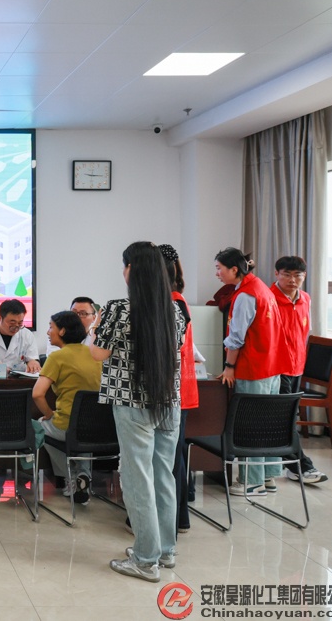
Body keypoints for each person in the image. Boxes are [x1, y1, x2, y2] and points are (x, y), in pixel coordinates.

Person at [92, 241, 185, 582]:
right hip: (168, 403)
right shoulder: (175, 310)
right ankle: (166, 550)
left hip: (132, 402)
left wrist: (96, 327)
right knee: (163, 475)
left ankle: (145, 560)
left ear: (131, 269)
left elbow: (98, 354)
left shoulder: (119, 308)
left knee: (137, 478)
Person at [215, 247, 287, 497]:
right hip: (271, 367)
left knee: (251, 425)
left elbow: (237, 338)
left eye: (219, 268)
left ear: (234, 269)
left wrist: (229, 367)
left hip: (253, 368)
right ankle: (267, 476)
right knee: (266, 423)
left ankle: (252, 482)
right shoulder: (262, 288)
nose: (217, 273)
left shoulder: (246, 295)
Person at [31, 310, 102, 504]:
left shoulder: (57, 357)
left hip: (67, 425)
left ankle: (71, 477)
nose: (48, 332)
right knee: (81, 430)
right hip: (98, 426)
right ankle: (83, 476)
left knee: (39, 427)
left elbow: (37, 394)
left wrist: (48, 413)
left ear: (62, 331)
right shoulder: (94, 353)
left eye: (51, 327)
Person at [272, 255, 328, 485]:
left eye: (298, 275)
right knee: (284, 418)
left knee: (287, 418)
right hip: (275, 367)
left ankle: (289, 465)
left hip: (297, 367)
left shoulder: (305, 299)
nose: (292, 280)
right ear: (276, 274)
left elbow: (304, 332)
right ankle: (301, 466)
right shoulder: (268, 297)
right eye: (287, 274)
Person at [158, 244, 199, 535]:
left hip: (176, 391)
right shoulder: (174, 300)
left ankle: (174, 520)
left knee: (171, 458)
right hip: (175, 390)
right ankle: (176, 519)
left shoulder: (173, 303)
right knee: (173, 456)